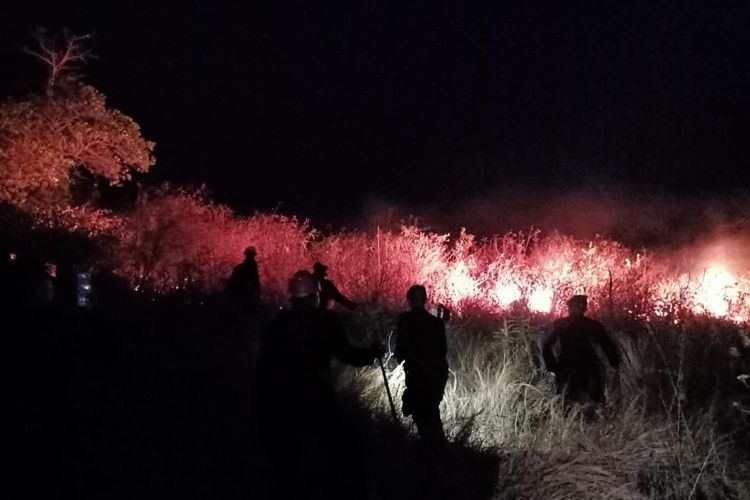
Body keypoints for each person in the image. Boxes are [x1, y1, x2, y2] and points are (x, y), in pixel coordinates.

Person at [256, 270, 382, 499]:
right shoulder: (326, 320)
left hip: (281, 398)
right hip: (316, 394)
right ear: (316, 295)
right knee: (339, 449)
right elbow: (346, 354)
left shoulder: (277, 325)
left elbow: (263, 368)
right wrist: (372, 352)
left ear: (292, 297)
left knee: (288, 459)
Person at [542, 295, 620, 406]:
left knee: (566, 401)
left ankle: (574, 419)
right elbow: (607, 345)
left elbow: (546, 346)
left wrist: (552, 367)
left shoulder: (561, 324)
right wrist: (614, 362)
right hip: (585, 366)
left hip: (570, 366)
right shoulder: (592, 325)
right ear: (585, 309)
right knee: (593, 402)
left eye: (580, 306)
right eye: (578, 306)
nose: (578, 308)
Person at [395, 285, 449, 444]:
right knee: (431, 413)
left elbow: (400, 351)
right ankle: (438, 452)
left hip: (418, 376)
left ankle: (432, 453)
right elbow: (442, 351)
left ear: (409, 300)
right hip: (436, 376)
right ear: (425, 300)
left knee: (422, 415)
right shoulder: (436, 323)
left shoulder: (405, 320)